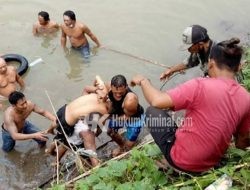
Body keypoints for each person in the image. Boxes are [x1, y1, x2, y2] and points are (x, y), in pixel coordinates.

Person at [130, 38, 250, 173]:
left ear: (210, 64)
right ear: (239, 67)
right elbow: (244, 140)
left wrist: (144, 81)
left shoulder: (200, 85)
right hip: (213, 162)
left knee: (152, 112)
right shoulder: (246, 97)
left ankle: (173, 160)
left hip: (182, 162)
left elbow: (157, 101)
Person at [83, 75, 145, 157]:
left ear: (126, 87)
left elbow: (126, 117)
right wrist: (101, 95)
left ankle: (124, 147)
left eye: (121, 93)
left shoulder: (130, 100)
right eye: (115, 92)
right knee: (109, 130)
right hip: (119, 112)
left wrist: (106, 119)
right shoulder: (108, 86)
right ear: (111, 87)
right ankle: (121, 145)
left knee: (128, 147)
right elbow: (96, 79)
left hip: (134, 118)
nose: (118, 95)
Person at [46, 93, 111, 166]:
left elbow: (85, 90)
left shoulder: (96, 96)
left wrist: (50, 129)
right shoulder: (103, 111)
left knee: (64, 139)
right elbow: (100, 130)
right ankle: (54, 159)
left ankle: (51, 152)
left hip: (64, 110)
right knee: (68, 143)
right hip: (68, 123)